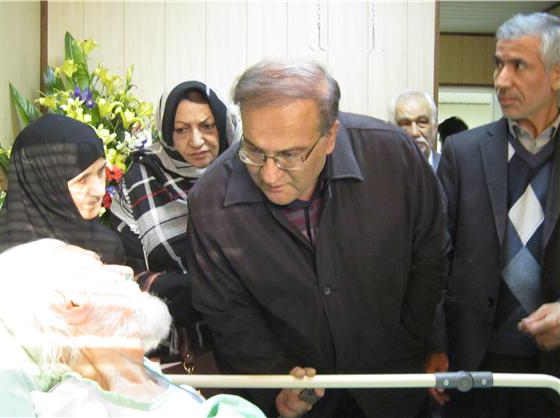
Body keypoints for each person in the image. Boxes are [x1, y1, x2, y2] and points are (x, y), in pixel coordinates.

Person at [187, 59, 448, 418]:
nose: (269, 174)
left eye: (290, 155)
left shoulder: (393, 158)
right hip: (299, 404)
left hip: (393, 390)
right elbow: (229, 316)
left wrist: (409, 334)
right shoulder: (211, 200)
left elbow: (430, 254)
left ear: (330, 137)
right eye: (254, 150)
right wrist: (277, 383)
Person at [0, 239, 266, 418]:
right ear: (70, 302)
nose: (125, 271)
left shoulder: (143, 381)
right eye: (100, 266)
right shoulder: (78, 408)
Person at [435, 12, 560, 418]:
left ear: (556, 75)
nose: (501, 80)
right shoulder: (463, 153)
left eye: (518, 66)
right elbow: (435, 259)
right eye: (498, 64)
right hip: (472, 364)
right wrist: (434, 345)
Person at [109, 80, 239, 361]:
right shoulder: (141, 180)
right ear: (167, 131)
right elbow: (123, 274)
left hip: (254, 341)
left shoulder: (247, 173)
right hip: (178, 349)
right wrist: (196, 290)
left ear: (222, 124)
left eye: (207, 126)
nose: (196, 141)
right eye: (181, 130)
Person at [0, 114, 124, 264]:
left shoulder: (107, 246)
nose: (100, 191)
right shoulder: (8, 264)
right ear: (44, 186)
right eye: (82, 181)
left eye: (100, 172)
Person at [390, 91, 440, 169]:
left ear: (434, 129)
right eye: (405, 123)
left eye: (422, 122)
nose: (414, 133)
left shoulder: (450, 168)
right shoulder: (380, 169)